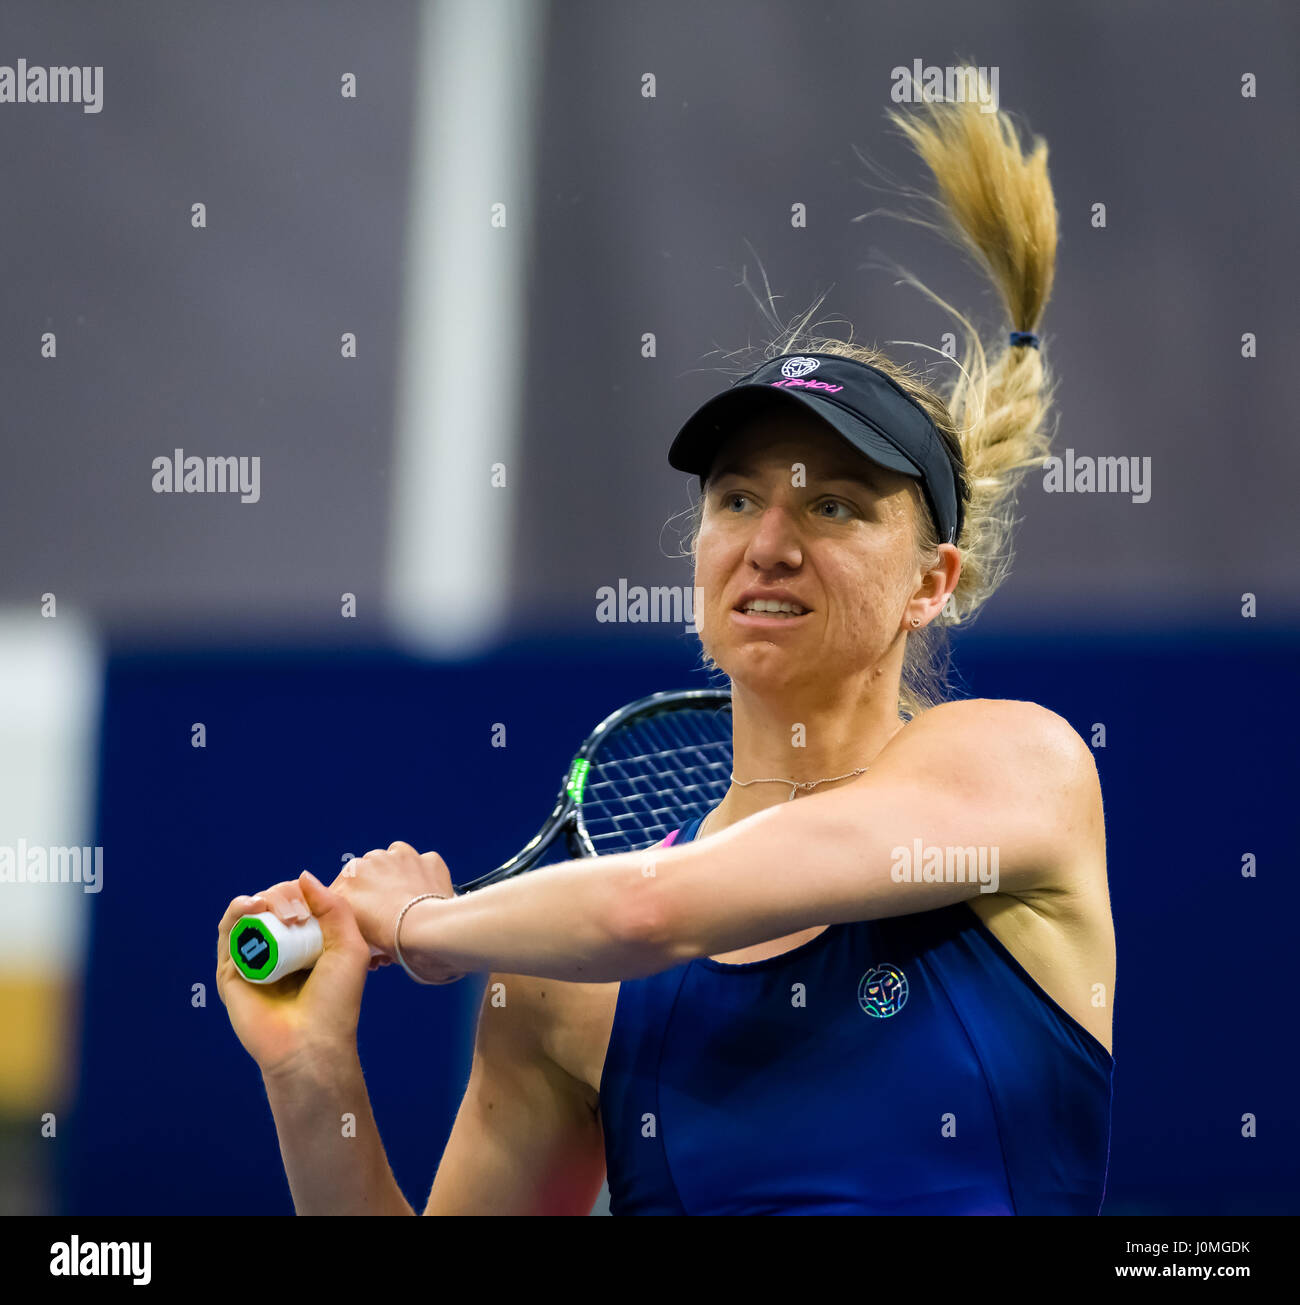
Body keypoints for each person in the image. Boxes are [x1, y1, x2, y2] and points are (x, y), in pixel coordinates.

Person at [217, 89, 1115, 1215]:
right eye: (736, 499)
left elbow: (651, 914)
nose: (771, 544)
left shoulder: (1016, 769)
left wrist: (417, 926)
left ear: (930, 584)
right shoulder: (551, 986)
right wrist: (312, 1076)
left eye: (835, 508)